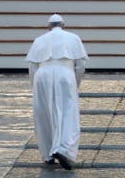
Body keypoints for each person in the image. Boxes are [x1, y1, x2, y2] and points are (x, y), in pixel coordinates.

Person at [25, 13, 88, 170]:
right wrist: (76, 84)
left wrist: (35, 87)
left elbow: (32, 67)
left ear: (48, 26)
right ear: (63, 25)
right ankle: (63, 149)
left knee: (44, 114)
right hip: (65, 73)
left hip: (42, 74)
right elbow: (80, 66)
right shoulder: (73, 38)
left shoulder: (39, 40)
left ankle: (47, 154)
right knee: (68, 113)